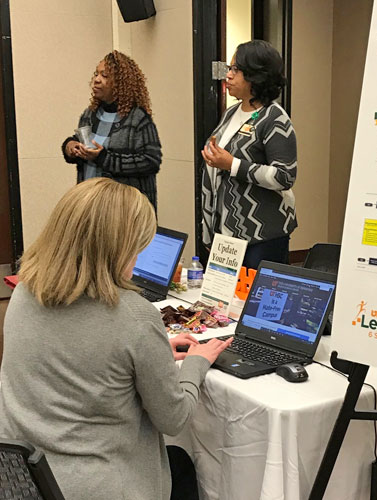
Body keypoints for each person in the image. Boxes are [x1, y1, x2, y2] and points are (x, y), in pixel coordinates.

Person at [0, 178, 232, 499]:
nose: (138, 260)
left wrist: (151, 353)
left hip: (25, 479)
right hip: (101, 486)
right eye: (136, 249)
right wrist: (195, 364)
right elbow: (174, 418)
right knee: (185, 465)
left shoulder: (24, 293)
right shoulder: (134, 317)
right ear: (116, 250)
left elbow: (80, 354)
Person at [201, 40, 297, 269]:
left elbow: (285, 177)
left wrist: (232, 164)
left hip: (262, 235)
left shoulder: (274, 118)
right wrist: (208, 230)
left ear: (256, 75)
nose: (229, 75)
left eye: (236, 69)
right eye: (229, 68)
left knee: (254, 302)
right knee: (223, 303)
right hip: (225, 234)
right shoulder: (230, 113)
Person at [62, 51, 162, 211]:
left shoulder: (138, 119)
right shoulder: (90, 114)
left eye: (105, 75)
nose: (96, 80)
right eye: (96, 74)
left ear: (120, 82)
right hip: (89, 206)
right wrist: (71, 146)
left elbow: (150, 162)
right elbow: (80, 139)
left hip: (122, 210)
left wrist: (104, 158)